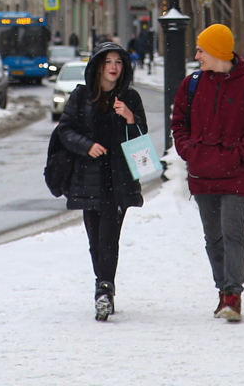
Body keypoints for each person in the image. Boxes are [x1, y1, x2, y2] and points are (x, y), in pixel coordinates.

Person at [171, 23, 244, 322]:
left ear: (218, 52)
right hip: (201, 173)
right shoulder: (191, 85)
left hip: (237, 175)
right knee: (213, 237)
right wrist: (189, 150)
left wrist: (240, 151)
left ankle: (233, 294)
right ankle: (223, 291)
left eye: (201, 50)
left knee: (232, 231)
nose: (197, 56)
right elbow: (178, 123)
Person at [58, 41, 147, 321]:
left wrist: (130, 118)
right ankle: (104, 286)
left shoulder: (130, 98)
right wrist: (87, 146)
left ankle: (104, 290)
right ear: (98, 66)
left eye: (118, 62)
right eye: (108, 61)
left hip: (118, 180)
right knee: (95, 240)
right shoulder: (82, 96)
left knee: (109, 237)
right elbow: (65, 130)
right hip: (88, 179)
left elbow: (142, 140)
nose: (113, 67)